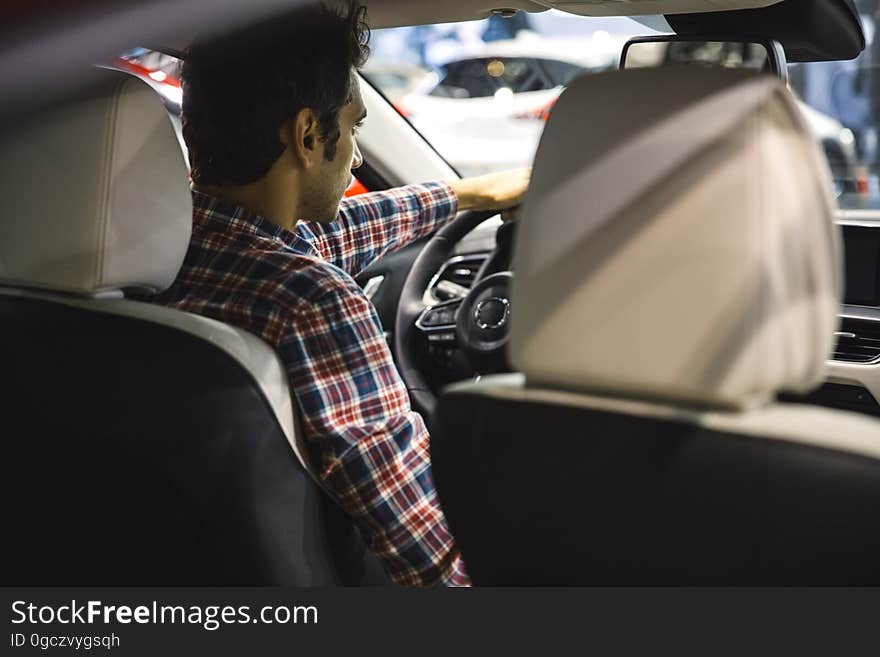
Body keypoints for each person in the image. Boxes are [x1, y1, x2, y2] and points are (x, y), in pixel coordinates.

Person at [149, 1, 529, 586]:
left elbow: (328, 234)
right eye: (352, 128)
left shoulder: (166, 249)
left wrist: (465, 196)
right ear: (307, 135)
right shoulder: (313, 304)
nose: (353, 149)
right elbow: (435, 559)